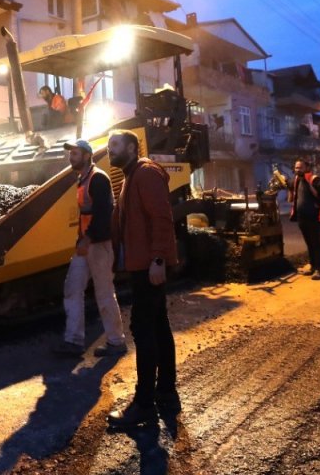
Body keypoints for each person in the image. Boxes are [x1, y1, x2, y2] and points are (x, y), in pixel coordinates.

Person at [105, 129, 180, 429]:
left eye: (115, 145)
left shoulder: (145, 173)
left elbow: (162, 217)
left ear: (132, 147)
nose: (110, 150)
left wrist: (158, 259)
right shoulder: (130, 176)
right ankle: (166, 391)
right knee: (159, 325)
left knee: (142, 326)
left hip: (149, 264)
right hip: (142, 263)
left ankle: (144, 403)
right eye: (109, 146)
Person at [53, 139, 126, 358]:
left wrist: (89, 238)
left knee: (104, 293)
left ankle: (116, 341)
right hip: (86, 244)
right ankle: (74, 341)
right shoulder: (82, 179)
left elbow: (105, 213)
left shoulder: (98, 179)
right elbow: (86, 215)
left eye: (75, 153)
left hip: (99, 244)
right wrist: (81, 240)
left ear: (86, 156)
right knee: (72, 288)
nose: (71, 157)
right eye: (70, 153)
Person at [289, 159, 320, 280]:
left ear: (307, 167)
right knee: (309, 243)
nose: (297, 170)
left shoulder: (315, 179)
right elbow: (290, 189)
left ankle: (319, 270)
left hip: (314, 218)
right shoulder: (297, 180)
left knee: (316, 243)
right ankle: (313, 267)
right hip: (302, 218)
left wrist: (318, 204)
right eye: (296, 168)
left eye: (300, 168)